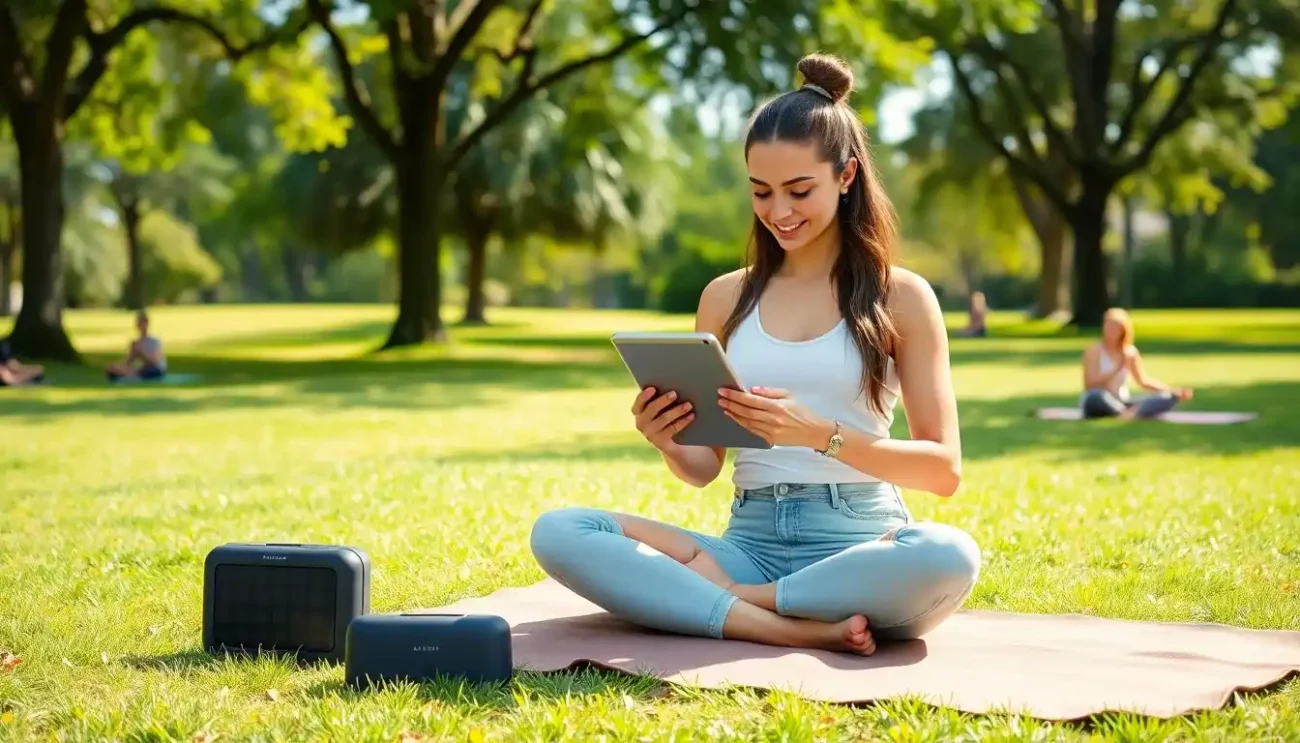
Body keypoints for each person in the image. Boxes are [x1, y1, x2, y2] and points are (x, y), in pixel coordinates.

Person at [529, 54, 980, 656]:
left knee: (948, 555)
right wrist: (669, 440)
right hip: (749, 539)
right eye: (761, 192)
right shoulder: (725, 297)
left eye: (800, 190)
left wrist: (817, 434)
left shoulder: (900, 296)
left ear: (846, 175)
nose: (779, 212)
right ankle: (784, 622)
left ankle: (739, 601)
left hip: (860, 545)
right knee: (561, 530)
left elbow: (943, 471)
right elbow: (704, 468)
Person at [1080, 308, 1192, 420]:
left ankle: (1128, 413)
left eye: (1116, 327)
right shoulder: (1094, 350)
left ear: (1123, 330)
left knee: (1167, 397)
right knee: (1095, 396)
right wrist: (1116, 368)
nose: (1111, 330)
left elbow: (1143, 381)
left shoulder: (1130, 352)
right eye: (1108, 326)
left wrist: (1171, 390)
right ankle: (1126, 413)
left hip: (1122, 401)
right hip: (1099, 400)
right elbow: (1090, 385)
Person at [106, 310, 167, 382]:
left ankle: (131, 376)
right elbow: (129, 362)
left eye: (143, 324)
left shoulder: (154, 341)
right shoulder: (136, 342)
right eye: (140, 324)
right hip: (143, 369)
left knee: (139, 372)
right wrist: (120, 366)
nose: (142, 327)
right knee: (111, 368)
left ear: (147, 325)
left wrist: (141, 350)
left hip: (155, 370)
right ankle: (127, 374)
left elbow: (155, 362)